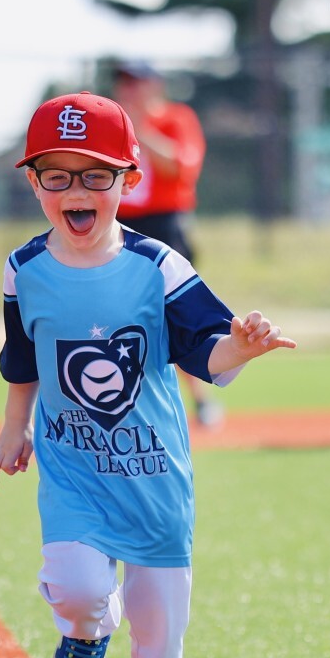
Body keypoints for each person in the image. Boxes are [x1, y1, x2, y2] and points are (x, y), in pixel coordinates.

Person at [0, 92, 295, 658]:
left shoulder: (159, 266)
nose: (76, 190)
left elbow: (205, 353)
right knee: (76, 587)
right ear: (33, 182)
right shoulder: (22, 269)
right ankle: (87, 630)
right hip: (73, 472)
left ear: (129, 179)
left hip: (153, 474)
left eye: (95, 174)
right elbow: (22, 356)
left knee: (158, 616)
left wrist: (241, 347)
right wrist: (13, 429)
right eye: (57, 174)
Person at [112, 61, 222, 429]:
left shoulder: (176, 118)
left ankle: (200, 399)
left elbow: (181, 166)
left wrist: (139, 128)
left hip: (164, 223)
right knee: (119, 315)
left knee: (173, 312)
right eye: (123, 82)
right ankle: (121, 400)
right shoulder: (111, 125)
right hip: (120, 226)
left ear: (154, 84)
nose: (128, 90)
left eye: (136, 82)